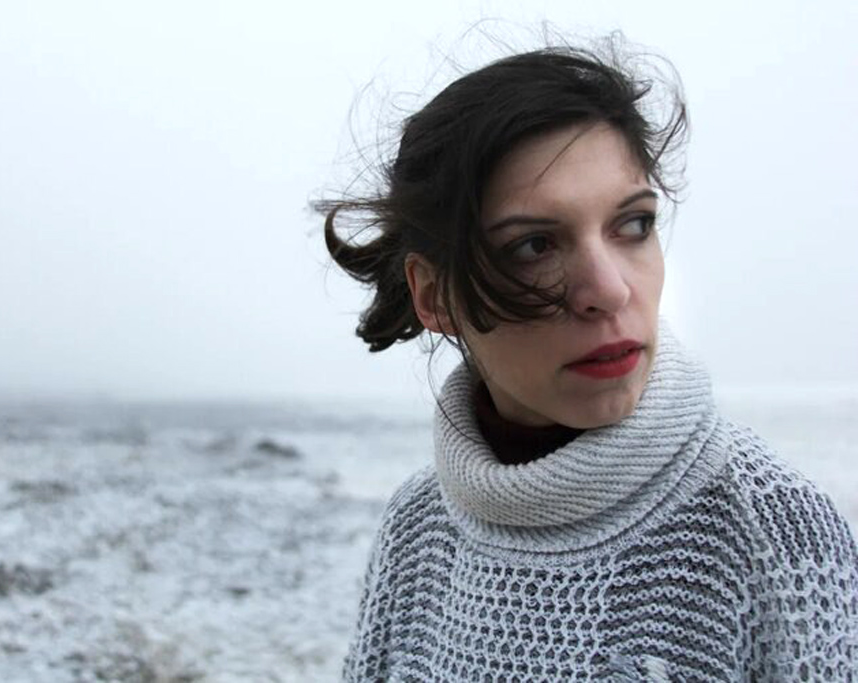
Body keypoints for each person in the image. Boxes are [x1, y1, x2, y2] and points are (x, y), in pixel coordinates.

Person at [317, 41, 858, 681]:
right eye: (534, 246)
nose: (609, 290)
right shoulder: (415, 528)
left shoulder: (776, 531)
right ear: (434, 296)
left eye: (633, 225)